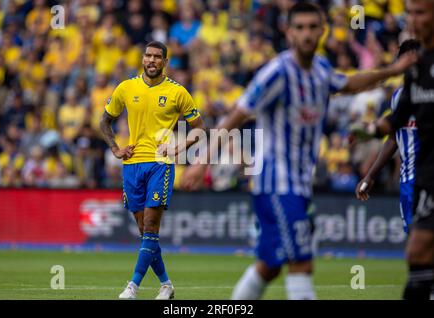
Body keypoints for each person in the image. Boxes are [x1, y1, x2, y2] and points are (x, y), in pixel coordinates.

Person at [181, 2, 416, 300]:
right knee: (301, 263)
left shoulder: (320, 70)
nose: (306, 34)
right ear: (289, 32)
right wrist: (202, 161)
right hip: (276, 184)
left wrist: (392, 70)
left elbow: (349, 83)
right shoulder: (276, 73)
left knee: (268, 267)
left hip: (299, 184)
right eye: (300, 28)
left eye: (312, 27)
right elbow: (235, 116)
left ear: (322, 30)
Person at [100, 41, 205, 300]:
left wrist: (179, 148)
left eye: (158, 57)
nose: (152, 60)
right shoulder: (126, 87)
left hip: (161, 163)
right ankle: (166, 285)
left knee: (150, 226)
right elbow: (104, 121)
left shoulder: (177, 92)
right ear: (142, 59)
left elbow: (200, 128)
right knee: (145, 232)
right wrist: (115, 148)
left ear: (165, 63)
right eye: (148, 55)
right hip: (132, 164)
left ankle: (132, 287)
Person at [349, 0, 434, 300]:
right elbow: (394, 133)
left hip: (428, 178)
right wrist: (370, 172)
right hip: (413, 181)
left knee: (419, 249)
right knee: (418, 250)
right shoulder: (404, 92)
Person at [355, 39, 421, 234]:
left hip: (428, 178)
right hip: (409, 181)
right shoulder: (398, 97)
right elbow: (393, 138)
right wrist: (370, 176)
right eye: (405, 65)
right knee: (415, 247)